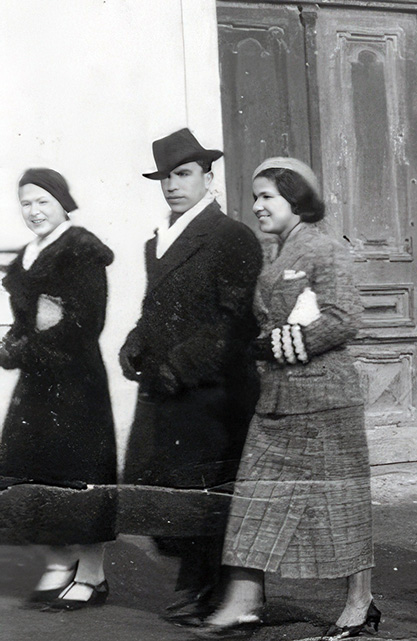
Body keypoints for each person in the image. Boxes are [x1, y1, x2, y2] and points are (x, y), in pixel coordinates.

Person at [198, 157, 377, 639]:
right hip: (277, 400)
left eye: (267, 197)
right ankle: (243, 601)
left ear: (295, 199)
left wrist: (278, 344)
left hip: (325, 401)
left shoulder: (324, 248)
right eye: (254, 197)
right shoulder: (274, 253)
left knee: (341, 505)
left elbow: (345, 318)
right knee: (253, 497)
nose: (257, 206)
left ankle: (360, 603)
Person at [118, 128, 263, 625]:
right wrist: (136, 341)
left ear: (208, 176)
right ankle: (198, 582)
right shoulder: (157, 242)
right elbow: (156, 308)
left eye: (183, 174)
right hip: (166, 390)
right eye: (165, 177)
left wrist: (180, 366)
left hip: (211, 392)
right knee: (165, 493)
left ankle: (212, 589)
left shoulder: (231, 236)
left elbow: (235, 322)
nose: (172, 185)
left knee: (207, 495)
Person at [0, 169, 116, 610]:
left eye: (42, 201)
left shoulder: (81, 249)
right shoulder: (29, 255)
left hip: (75, 382)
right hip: (37, 384)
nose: (34, 212)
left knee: (80, 475)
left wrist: (24, 348)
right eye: (26, 203)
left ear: (63, 203)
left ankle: (92, 574)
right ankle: (59, 561)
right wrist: (11, 344)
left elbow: (85, 324)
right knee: (34, 469)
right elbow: (28, 321)